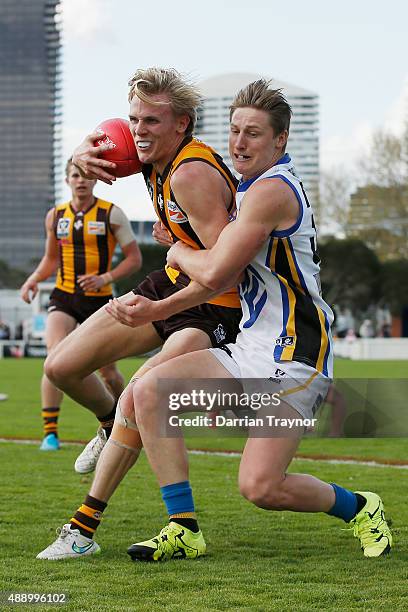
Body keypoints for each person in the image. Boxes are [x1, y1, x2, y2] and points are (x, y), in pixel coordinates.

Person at [38, 79, 392, 562]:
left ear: (280, 141)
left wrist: (175, 247)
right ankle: (183, 527)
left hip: (295, 353)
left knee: (261, 488)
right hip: (249, 345)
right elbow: (209, 272)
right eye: (234, 131)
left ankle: (360, 507)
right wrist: (157, 309)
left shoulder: (269, 193)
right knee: (146, 392)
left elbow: (218, 270)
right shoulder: (242, 186)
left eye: (253, 134)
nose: (239, 143)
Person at [36, 65, 240, 520]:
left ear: (181, 123)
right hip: (171, 283)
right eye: (134, 120)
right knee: (61, 365)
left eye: (151, 121)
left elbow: (227, 268)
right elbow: (97, 145)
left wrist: (178, 258)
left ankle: (120, 522)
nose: (139, 132)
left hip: (215, 305)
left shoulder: (190, 174)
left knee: (140, 395)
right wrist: (79, 153)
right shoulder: (150, 155)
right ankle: (107, 425)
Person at [20, 159, 142, 451]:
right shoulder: (55, 216)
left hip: (99, 300)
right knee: (53, 360)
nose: (81, 180)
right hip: (64, 295)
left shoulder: (112, 214)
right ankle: (50, 433)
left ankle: (129, 424)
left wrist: (105, 278)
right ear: (68, 180)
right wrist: (33, 280)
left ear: (95, 181)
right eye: (76, 175)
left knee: (108, 372)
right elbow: (51, 259)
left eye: (87, 176)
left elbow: (134, 258)